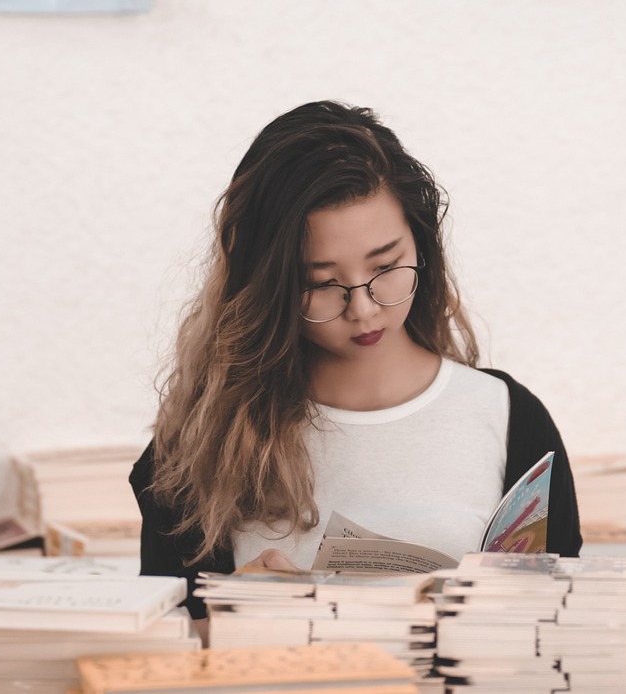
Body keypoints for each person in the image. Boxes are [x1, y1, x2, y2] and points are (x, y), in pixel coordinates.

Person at [130, 100, 582, 631]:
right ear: (267, 286)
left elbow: (562, 637)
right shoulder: (200, 445)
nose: (363, 308)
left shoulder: (510, 419)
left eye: (386, 266)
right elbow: (157, 656)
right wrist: (232, 617)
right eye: (321, 283)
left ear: (423, 243)